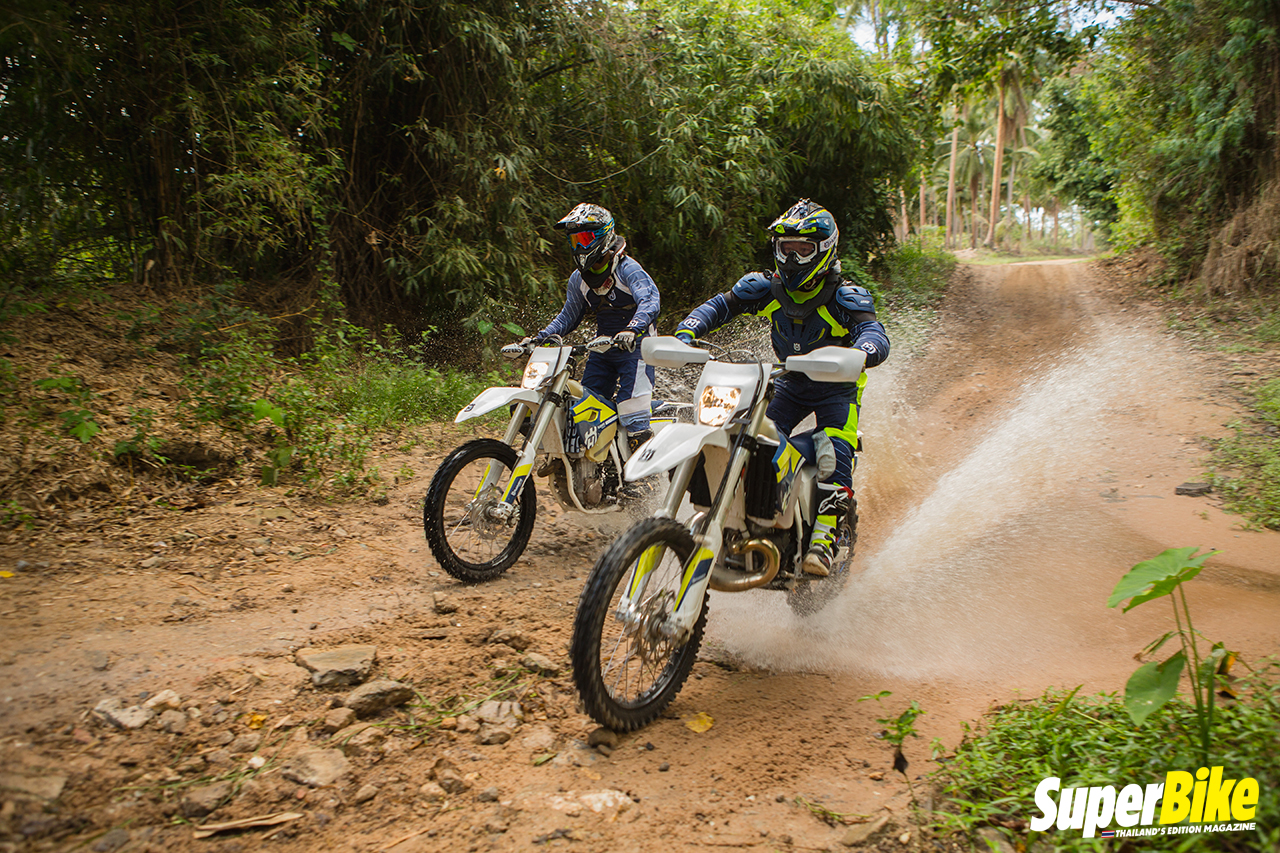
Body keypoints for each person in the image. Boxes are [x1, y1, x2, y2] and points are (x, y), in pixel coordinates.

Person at [673, 199, 890, 576]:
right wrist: (687, 331)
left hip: (837, 387)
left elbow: (873, 331)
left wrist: (863, 351)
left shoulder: (844, 296)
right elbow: (721, 306)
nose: (791, 258)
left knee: (834, 450)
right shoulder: (767, 288)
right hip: (788, 381)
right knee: (754, 440)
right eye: (785, 247)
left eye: (802, 249)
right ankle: (745, 517)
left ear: (824, 249)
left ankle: (826, 537)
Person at [520, 203, 661, 450]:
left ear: (604, 236)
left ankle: (643, 470)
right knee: (585, 410)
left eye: (584, 239)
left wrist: (632, 329)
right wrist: (540, 338)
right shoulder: (578, 279)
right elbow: (568, 317)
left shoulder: (628, 270)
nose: (579, 247)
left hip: (637, 349)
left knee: (633, 416)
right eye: (574, 241)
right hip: (602, 349)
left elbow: (650, 301)